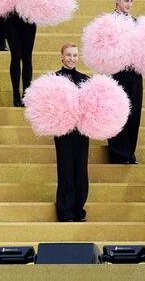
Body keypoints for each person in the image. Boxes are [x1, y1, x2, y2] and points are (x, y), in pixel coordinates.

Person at [54, 43, 89, 222]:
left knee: (81, 171)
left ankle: (78, 209)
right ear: (61, 56)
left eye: (75, 55)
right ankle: (65, 211)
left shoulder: (85, 80)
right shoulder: (54, 78)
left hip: (82, 132)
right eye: (68, 55)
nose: (72, 58)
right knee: (66, 170)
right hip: (63, 133)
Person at [106, 0, 142, 163]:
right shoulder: (108, 22)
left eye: (131, 1)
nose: (129, 4)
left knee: (134, 112)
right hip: (116, 72)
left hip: (134, 73)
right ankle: (117, 152)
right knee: (117, 111)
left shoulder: (136, 22)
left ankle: (130, 151)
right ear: (117, 0)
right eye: (126, 0)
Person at [5, 0, 36, 107]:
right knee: (15, 56)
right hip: (11, 20)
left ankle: (27, 94)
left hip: (29, 20)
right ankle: (16, 94)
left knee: (27, 57)